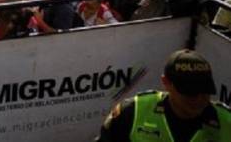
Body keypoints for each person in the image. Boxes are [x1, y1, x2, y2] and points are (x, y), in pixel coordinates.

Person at [97, 49, 230, 141]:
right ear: (166, 83)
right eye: (190, 91)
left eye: (206, 90)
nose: (199, 98)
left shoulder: (227, 122)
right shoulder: (133, 111)